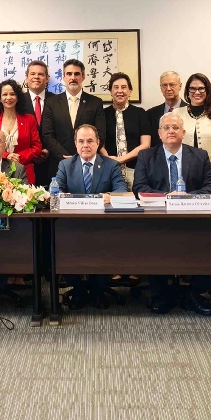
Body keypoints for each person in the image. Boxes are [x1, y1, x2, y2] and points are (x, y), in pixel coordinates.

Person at [132, 112, 211, 315]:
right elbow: (139, 187)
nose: (171, 131)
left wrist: (186, 197)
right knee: (153, 242)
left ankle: (195, 294)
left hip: (194, 217)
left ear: (183, 132)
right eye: (166, 128)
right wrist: (167, 196)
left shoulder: (200, 155)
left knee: (209, 240)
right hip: (157, 217)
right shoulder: (146, 156)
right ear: (159, 133)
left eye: (175, 127)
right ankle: (161, 294)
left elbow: (210, 187)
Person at [55, 125, 128, 309]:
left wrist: (109, 196)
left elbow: (121, 189)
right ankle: (78, 289)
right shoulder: (66, 165)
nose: (85, 145)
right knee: (62, 245)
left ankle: (98, 290)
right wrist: (61, 196)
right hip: (72, 225)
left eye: (89, 141)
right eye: (81, 141)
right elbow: (56, 190)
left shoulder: (110, 165)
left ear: (97, 143)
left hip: (103, 224)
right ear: (75, 144)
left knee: (105, 246)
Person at [41, 59, 106, 178]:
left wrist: (81, 156)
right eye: (69, 74)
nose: (73, 77)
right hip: (59, 164)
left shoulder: (95, 103)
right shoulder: (51, 102)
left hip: (88, 163)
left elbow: (100, 134)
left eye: (77, 74)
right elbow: (47, 135)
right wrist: (65, 157)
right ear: (64, 77)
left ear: (83, 77)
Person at [0, 79, 41, 184]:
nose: (9, 98)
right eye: (5, 94)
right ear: (0, 98)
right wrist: (6, 156)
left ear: (18, 97)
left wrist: (19, 157)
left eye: (12, 94)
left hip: (24, 170)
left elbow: (37, 148)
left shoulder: (29, 119)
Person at [102, 71, 151, 188]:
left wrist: (121, 159)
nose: (120, 91)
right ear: (110, 92)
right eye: (116, 87)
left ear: (130, 91)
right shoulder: (102, 114)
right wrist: (110, 160)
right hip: (109, 169)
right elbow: (99, 143)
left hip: (135, 170)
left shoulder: (140, 113)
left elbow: (146, 144)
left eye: (124, 87)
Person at [177, 72, 211, 171]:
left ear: (207, 91)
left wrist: (208, 171)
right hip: (182, 173)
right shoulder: (176, 114)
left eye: (201, 88)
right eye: (192, 88)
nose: (197, 92)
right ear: (187, 91)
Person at [22, 61, 52, 182]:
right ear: (26, 77)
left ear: (47, 78)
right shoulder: (18, 101)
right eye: (33, 74)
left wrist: (49, 150)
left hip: (52, 162)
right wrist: (33, 153)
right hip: (25, 163)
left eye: (41, 74)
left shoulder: (57, 100)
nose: (36, 77)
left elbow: (61, 130)